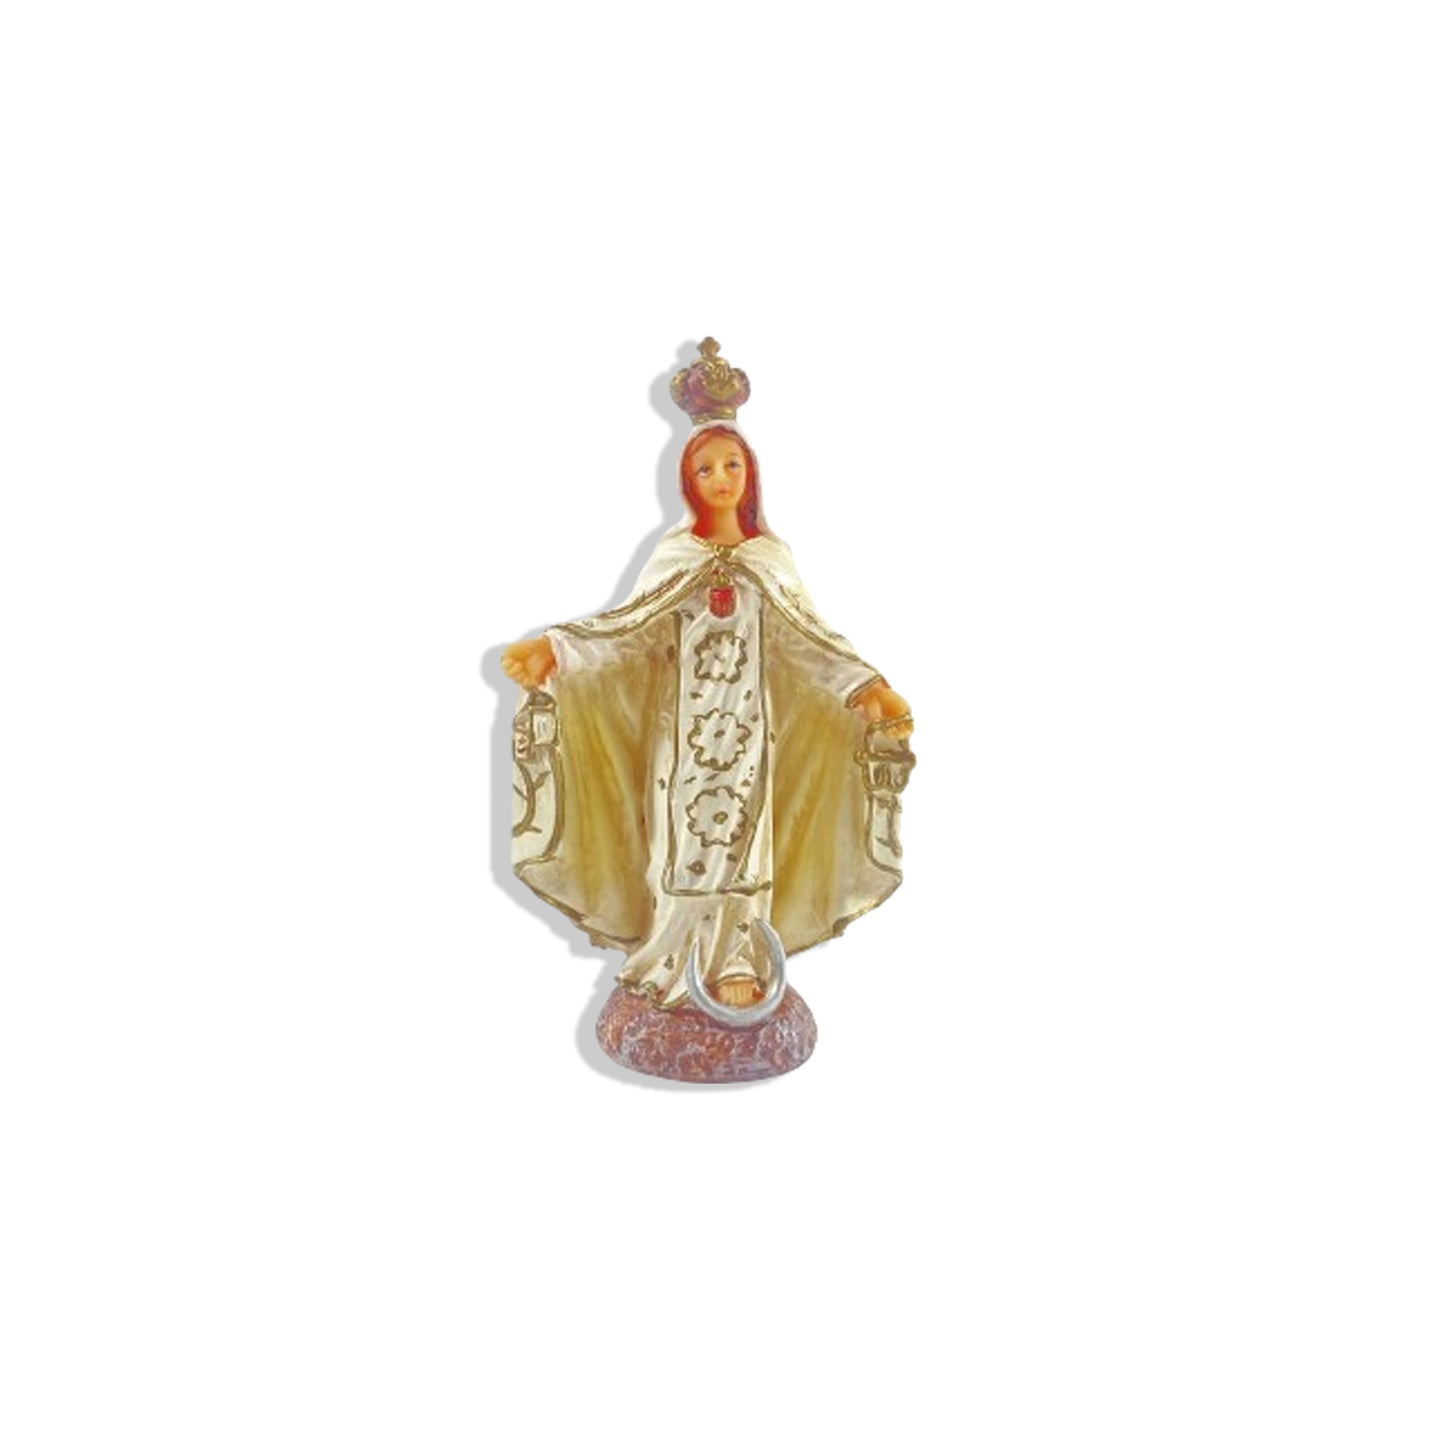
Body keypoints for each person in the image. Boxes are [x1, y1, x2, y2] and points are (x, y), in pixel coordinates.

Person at [503, 341, 913, 1022]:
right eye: (705, 468)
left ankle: (737, 959)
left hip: (751, 734)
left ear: (751, 476)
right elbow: (627, 632)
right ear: (685, 480)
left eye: (731, 465)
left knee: (744, 839)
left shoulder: (769, 560)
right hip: (684, 736)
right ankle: (672, 954)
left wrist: (867, 688)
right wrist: (557, 650)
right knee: (683, 840)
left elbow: (808, 643)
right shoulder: (676, 557)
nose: (720, 478)